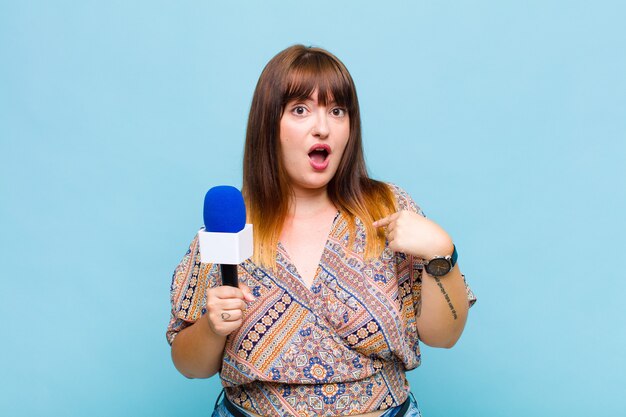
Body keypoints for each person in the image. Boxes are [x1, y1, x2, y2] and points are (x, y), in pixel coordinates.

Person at [167, 45, 476, 417]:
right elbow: (190, 365)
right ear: (269, 124)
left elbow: (444, 337)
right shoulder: (233, 221)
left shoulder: (388, 207)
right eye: (300, 110)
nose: (323, 127)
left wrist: (442, 253)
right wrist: (212, 328)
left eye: (337, 110)